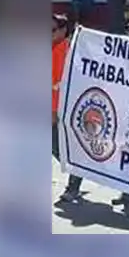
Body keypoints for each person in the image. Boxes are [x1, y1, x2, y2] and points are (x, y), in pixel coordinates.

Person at [53, 14, 85, 202]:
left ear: (64, 31)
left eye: (52, 30)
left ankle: (74, 183)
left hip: (62, 110)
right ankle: (77, 176)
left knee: (64, 149)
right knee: (59, 149)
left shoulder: (68, 50)